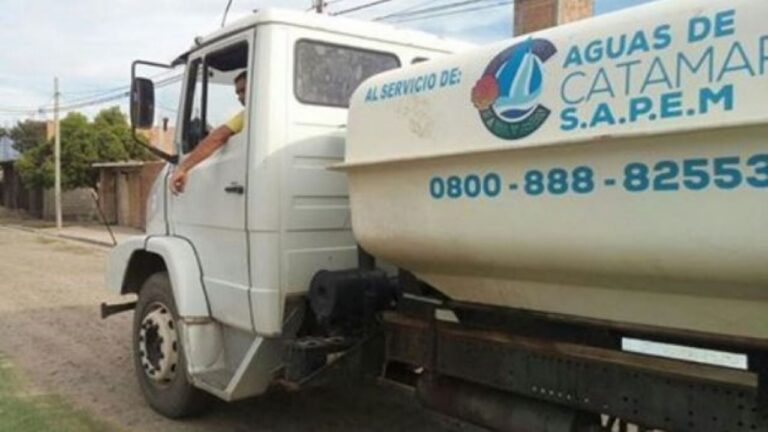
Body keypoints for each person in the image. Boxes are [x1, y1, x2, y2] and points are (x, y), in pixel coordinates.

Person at [170, 71, 247, 194]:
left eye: (243, 90)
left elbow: (218, 137)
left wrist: (182, 168)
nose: (240, 97)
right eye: (238, 93)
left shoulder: (247, 115)